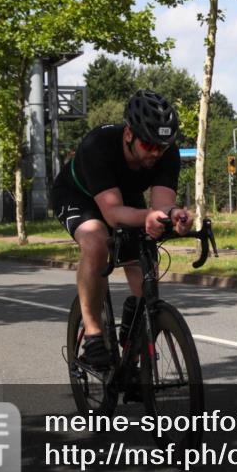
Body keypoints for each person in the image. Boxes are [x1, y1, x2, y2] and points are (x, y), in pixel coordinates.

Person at [51, 89, 194, 368]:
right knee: (96, 242)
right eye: (149, 145)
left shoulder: (166, 151)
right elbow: (113, 214)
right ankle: (93, 335)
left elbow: (161, 205)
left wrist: (174, 215)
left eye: (162, 147)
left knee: (144, 257)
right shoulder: (98, 144)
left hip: (124, 196)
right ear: (129, 134)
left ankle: (136, 335)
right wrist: (147, 217)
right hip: (78, 195)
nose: (156, 153)